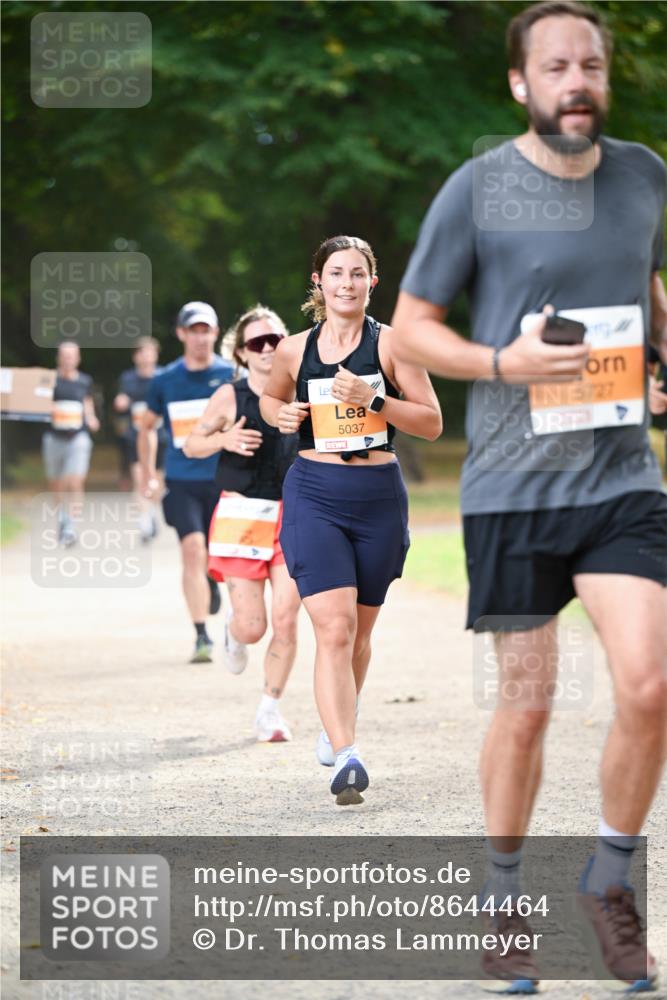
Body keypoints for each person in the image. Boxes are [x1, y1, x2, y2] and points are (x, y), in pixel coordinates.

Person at [391, 0, 666, 987]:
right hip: (511, 482)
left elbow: (643, 276)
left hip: (621, 473)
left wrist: (659, 349)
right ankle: (503, 897)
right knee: (529, 702)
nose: (575, 81)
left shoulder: (644, 174)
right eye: (554, 67)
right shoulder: (477, 188)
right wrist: (498, 362)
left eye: (588, 63)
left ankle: (607, 880)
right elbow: (410, 327)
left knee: (650, 682)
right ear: (520, 83)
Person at [260, 235, 442, 805]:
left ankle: (336, 717)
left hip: (377, 496)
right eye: (335, 273)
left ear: (372, 283)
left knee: (360, 634)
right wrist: (282, 413)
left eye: (356, 274)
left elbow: (432, 423)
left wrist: (374, 399)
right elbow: (270, 399)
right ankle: (347, 755)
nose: (346, 283)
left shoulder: (393, 347)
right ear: (318, 281)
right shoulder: (293, 350)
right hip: (315, 490)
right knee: (333, 629)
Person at [183, 305, 300, 742]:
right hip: (243, 514)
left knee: (286, 618)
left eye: (275, 340)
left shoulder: (303, 388)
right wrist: (223, 438)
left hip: (295, 514)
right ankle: (234, 628)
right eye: (257, 343)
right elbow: (192, 445)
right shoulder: (230, 397)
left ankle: (269, 710)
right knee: (254, 627)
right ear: (242, 353)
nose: (268, 348)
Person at [138, 302, 235, 663]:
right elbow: (146, 427)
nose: (199, 337)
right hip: (181, 480)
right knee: (192, 549)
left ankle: (214, 584)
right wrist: (148, 473)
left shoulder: (231, 374)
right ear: (181, 334)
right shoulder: (164, 380)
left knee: (221, 557)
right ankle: (201, 636)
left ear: (215, 333)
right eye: (192, 330)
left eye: (205, 330)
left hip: (224, 479)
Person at [42, 341, 100, 546]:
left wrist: (91, 417)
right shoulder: (49, 380)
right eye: (64, 356)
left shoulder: (84, 381)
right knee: (56, 483)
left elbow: (87, 401)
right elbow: (40, 401)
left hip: (78, 437)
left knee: (74, 481)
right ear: (59, 358)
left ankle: (71, 525)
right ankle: (61, 518)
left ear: (77, 358)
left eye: (71, 356)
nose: (68, 359)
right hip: (54, 437)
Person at [113, 336, 167, 543]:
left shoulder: (163, 376)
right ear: (136, 357)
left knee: (157, 480)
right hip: (135, 437)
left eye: (150, 352)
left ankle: (152, 512)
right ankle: (144, 522)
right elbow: (122, 398)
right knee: (139, 478)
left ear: (155, 354)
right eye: (141, 352)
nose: (146, 356)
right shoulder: (128, 379)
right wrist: (121, 401)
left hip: (160, 436)